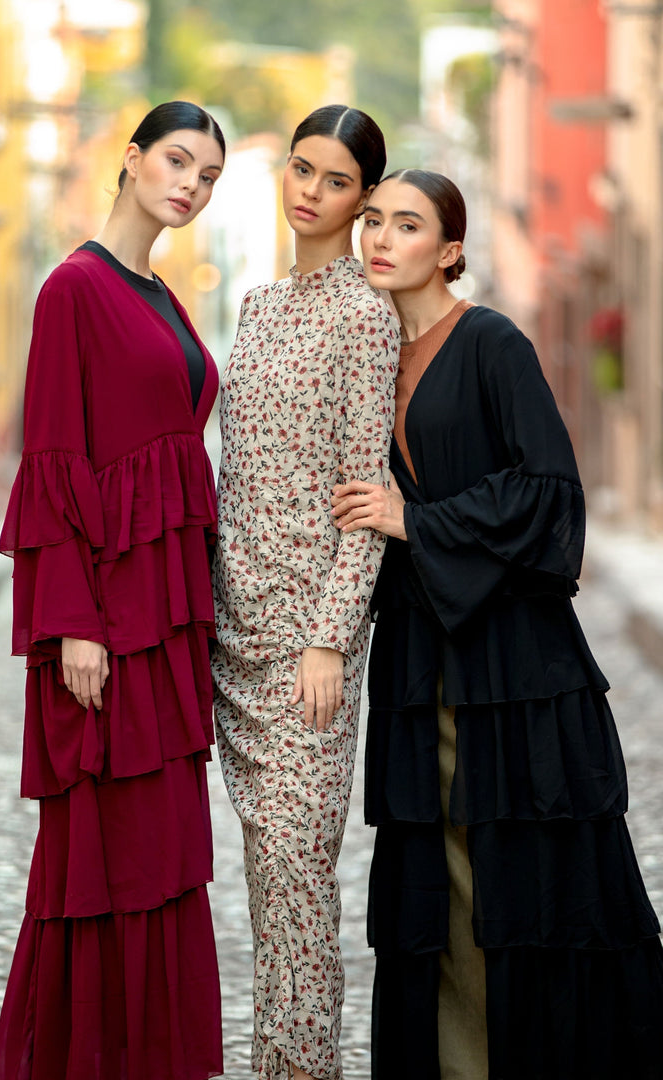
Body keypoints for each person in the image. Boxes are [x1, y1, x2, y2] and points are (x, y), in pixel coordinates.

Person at [332, 169, 663, 1080]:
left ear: (449, 251)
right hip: (417, 656)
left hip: (513, 666)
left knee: (521, 870)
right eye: (371, 221)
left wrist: (417, 520)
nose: (380, 239)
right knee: (433, 878)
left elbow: (548, 489)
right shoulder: (370, 357)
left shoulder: (490, 343)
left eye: (406, 225)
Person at [0, 101, 226, 1080]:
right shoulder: (70, 291)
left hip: (168, 628)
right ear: (130, 161)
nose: (191, 185)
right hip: (104, 628)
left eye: (209, 176)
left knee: (165, 854)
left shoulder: (166, 297)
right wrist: (74, 627)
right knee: (100, 857)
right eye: (176, 161)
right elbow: (51, 460)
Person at [210, 105, 399, 1080]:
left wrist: (331, 639)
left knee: (297, 887)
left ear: (361, 198)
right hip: (229, 637)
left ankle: (302, 1070)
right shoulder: (258, 306)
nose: (309, 191)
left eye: (333, 179)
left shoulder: (366, 318)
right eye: (300, 168)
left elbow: (369, 494)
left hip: (307, 657)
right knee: (258, 887)